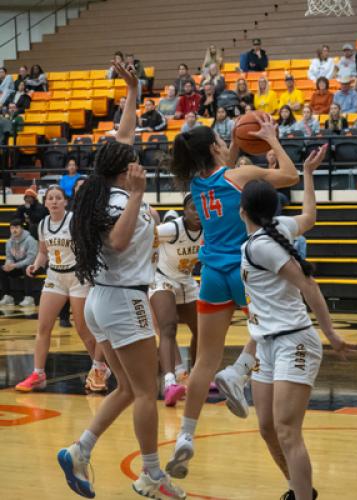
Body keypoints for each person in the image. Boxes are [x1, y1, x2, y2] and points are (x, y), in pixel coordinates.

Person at [57, 63, 185, 499]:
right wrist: (135, 197)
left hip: (103, 300)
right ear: (121, 171)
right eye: (132, 162)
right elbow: (116, 240)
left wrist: (132, 90)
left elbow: (124, 135)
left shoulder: (102, 187)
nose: (136, 161)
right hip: (123, 301)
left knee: (130, 387)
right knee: (147, 389)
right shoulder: (117, 199)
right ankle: (151, 474)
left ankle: (80, 449)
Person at [165, 115, 300, 480]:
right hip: (244, 270)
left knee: (203, 361)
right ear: (213, 148)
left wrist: (235, 146)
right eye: (222, 142)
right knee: (271, 326)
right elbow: (290, 176)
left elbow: (223, 166)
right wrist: (272, 139)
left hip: (210, 276)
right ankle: (239, 371)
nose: (228, 144)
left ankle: (185, 435)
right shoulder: (237, 176)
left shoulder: (196, 184)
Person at [240, 147, 352, 500]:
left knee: (287, 430)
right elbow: (310, 217)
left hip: (294, 340)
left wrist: (330, 331)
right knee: (267, 427)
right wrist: (306, 173)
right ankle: (299, 488)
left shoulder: (260, 246)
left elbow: (309, 283)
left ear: (241, 210)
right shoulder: (279, 228)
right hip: (268, 344)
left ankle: (302, 495)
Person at [14, 185, 109, 393]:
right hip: (55, 276)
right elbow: (42, 252)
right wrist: (36, 265)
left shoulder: (74, 220)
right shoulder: (42, 225)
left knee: (84, 329)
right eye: (50, 198)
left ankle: (99, 368)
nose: (54, 201)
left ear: (65, 202)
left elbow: (90, 245)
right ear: (45, 203)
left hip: (77, 276)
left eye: (58, 198)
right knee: (43, 327)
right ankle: (38, 373)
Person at [150, 194, 202, 407]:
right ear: (184, 210)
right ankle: (170, 381)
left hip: (186, 280)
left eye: (200, 208)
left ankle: (197, 376)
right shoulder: (171, 229)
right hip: (162, 278)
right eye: (192, 208)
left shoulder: (208, 229)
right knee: (168, 327)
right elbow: (144, 238)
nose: (197, 212)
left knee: (202, 330)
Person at [0, 218, 38, 307]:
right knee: (2, 269)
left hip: (34, 266)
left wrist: (15, 265)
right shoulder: (9, 242)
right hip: (18, 266)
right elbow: (9, 257)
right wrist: (8, 265)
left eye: (16, 227)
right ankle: (8, 297)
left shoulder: (30, 240)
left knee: (27, 268)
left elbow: (31, 259)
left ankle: (29, 298)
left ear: (22, 228)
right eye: (12, 228)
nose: (14, 230)